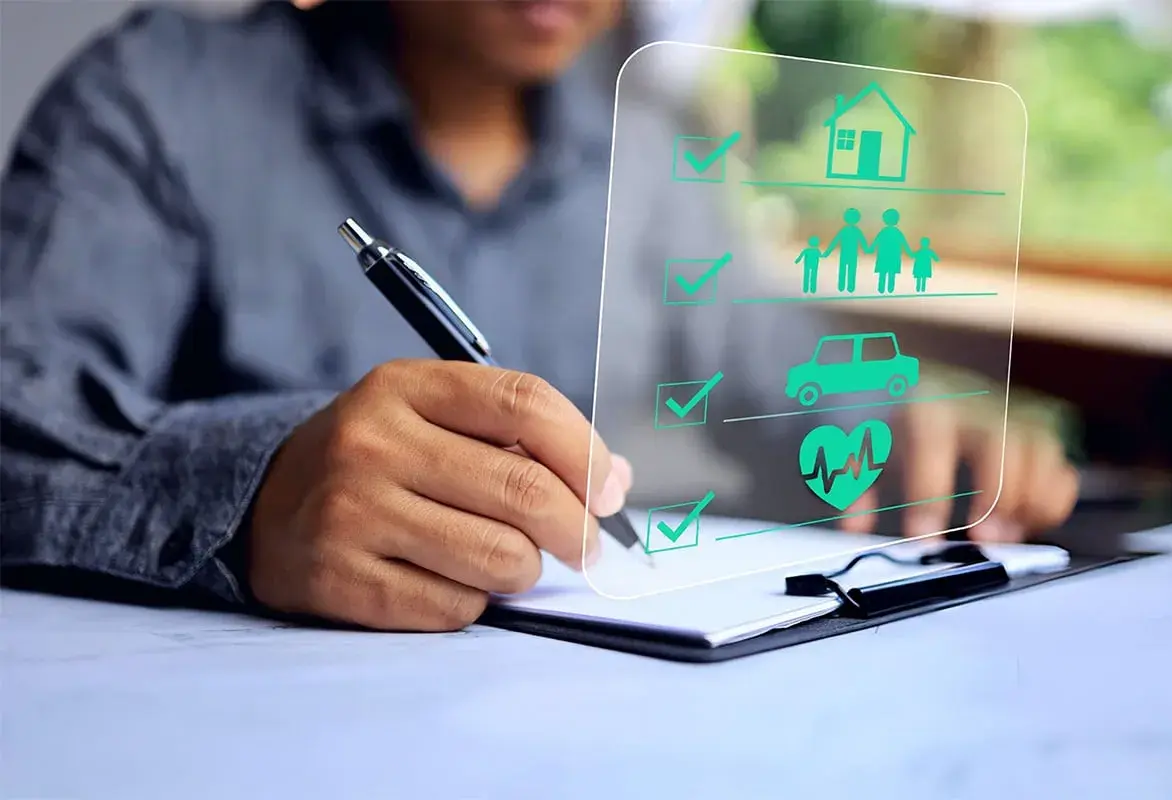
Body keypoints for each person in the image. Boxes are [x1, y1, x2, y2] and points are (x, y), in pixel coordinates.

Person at [0, 0, 1080, 633]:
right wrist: (254, 492)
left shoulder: (648, 146)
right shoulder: (156, 98)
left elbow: (777, 359)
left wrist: (895, 423)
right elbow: (15, 418)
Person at [821, 207, 869, 293]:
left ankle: (843, 286)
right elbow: (835, 241)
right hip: (850, 255)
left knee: (846, 269)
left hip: (847, 254)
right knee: (849, 270)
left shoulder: (847, 231)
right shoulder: (854, 231)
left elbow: (835, 242)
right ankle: (848, 286)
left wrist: (827, 252)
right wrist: (867, 250)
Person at [870, 208, 914, 295]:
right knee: (891, 273)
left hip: (884, 255)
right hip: (893, 256)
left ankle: (881, 288)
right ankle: (890, 288)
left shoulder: (884, 231)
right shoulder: (897, 232)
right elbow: (904, 244)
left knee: (883, 273)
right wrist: (910, 253)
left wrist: (870, 249)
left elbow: (876, 242)